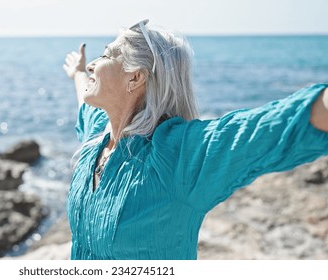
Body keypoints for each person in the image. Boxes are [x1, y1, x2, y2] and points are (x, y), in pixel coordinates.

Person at [62, 19, 328, 260]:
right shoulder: (98, 132)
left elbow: (274, 125)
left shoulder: (178, 154)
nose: (91, 64)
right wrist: (77, 74)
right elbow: (82, 98)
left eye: (106, 54)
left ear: (135, 77)